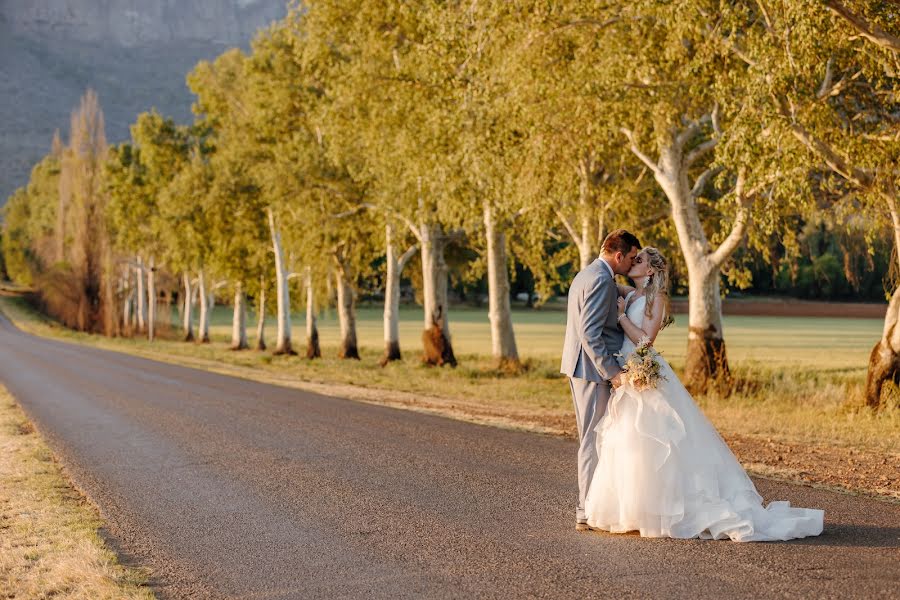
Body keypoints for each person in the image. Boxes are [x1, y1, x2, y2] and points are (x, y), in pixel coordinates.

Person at [583, 247, 824, 541]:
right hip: (629, 372)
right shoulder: (631, 295)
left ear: (650, 271)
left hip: (643, 368)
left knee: (660, 440)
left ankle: (669, 510)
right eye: (633, 258)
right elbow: (605, 282)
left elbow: (646, 340)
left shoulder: (655, 298)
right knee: (630, 441)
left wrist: (621, 318)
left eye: (640, 260)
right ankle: (633, 510)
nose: (633, 262)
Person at [560, 229, 640, 531]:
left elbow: (609, 291)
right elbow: (590, 334)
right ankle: (586, 510)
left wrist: (629, 292)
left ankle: (593, 505)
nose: (631, 264)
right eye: (631, 258)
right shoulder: (599, 280)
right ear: (618, 255)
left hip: (582, 368)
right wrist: (614, 373)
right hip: (591, 370)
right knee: (593, 439)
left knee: (595, 437)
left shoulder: (591, 274)